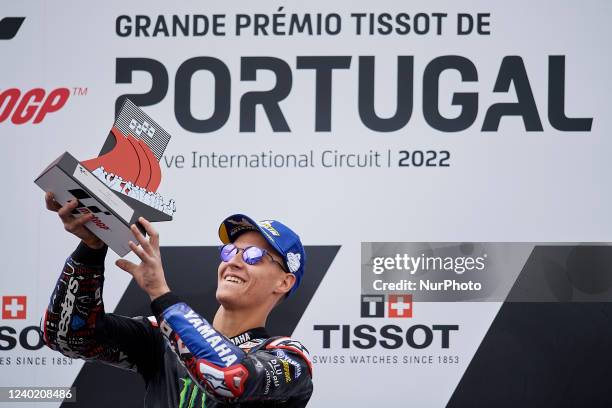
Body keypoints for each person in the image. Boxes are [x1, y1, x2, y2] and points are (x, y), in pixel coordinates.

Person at [41, 192, 313, 407]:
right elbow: (67, 336)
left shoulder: (290, 358)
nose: (234, 262)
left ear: (284, 282)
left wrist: (160, 294)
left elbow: (229, 378)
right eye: (229, 251)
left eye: (253, 256)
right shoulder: (162, 338)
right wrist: (91, 249)